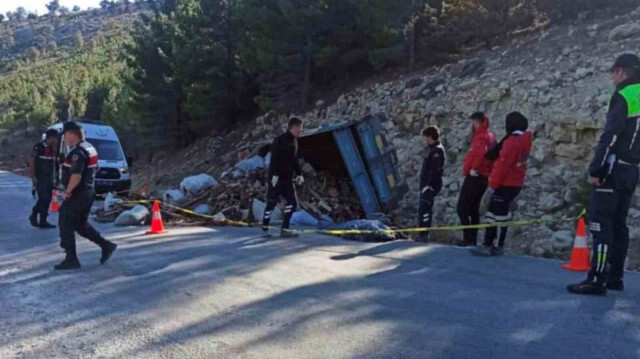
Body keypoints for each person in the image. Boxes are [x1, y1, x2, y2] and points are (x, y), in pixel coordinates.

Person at [568, 54, 640, 295]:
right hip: (633, 169)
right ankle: (615, 276)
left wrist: (596, 169)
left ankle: (597, 278)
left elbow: (610, 136)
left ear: (621, 72)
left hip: (613, 167)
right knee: (620, 224)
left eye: (613, 72)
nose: (611, 76)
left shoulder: (624, 96)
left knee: (600, 223)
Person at [56, 121, 117, 270]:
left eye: (65, 135)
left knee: (65, 219)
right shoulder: (90, 148)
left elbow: (76, 175)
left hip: (78, 193)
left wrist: (67, 191)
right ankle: (106, 245)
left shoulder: (78, 152)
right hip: (88, 192)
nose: (65, 138)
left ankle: (71, 259)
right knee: (80, 225)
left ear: (71, 134)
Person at [471, 112, 532, 257]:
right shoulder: (526, 140)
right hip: (516, 183)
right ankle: (499, 245)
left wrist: (492, 186)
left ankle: (488, 245)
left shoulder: (512, 142)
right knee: (503, 215)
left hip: (505, 183)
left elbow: (502, 167)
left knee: (492, 214)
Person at [457, 112, 496, 247]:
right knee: (473, 209)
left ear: (476, 122)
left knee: (461, 208)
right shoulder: (490, 136)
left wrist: (473, 169)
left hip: (475, 177)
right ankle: (472, 239)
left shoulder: (480, 137)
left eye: (472, 123)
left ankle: (468, 238)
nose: (471, 126)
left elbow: (479, 153)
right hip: (484, 178)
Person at [262, 117, 305, 238]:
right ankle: (265, 228)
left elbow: (294, 160)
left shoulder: (294, 141)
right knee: (271, 203)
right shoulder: (280, 140)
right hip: (276, 178)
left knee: (292, 202)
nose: (300, 131)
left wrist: (299, 174)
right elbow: (274, 159)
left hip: (287, 179)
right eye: (299, 128)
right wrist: (274, 175)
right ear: (293, 127)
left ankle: (285, 229)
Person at [417, 126, 446, 242]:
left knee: (425, 209)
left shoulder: (437, 151)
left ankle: (424, 234)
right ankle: (422, 233)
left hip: (429, 186)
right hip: (425, 186)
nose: (424, 140)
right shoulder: (431, 149)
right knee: (423, 209)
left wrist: (428, 186)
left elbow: (435, 170)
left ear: (430, 137)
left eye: (425, 138)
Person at [28, 129, 59, 229]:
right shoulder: (39, 147)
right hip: (40, 177)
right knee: (43, 198)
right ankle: (33, 215)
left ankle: (43, 221)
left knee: (48, 199)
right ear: (51, 137)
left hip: (49, 178)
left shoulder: (52, 149)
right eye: (56, 137)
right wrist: (33, 176)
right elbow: (31, 161)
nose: (57, 140)